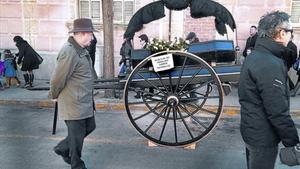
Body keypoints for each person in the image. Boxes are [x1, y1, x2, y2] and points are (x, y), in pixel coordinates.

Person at [238, 11, 299, 169]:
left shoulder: (256, 55)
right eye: (290, 32)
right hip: (262, 137)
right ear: (281, 33)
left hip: (251, 130)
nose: (291, 36)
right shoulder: (269, 63)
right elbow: (277, 110)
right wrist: (293, 143)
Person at [49, 18, 98, 169]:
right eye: (91, 34)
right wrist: (54, 95)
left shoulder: (80, 50)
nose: (92, 38)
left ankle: (63, 148)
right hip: (74, 102)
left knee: (90, 126)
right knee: (77, 137)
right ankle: (77, 165)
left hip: (83, 101)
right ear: (83, 33)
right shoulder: (69, 51)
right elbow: (58, 78)